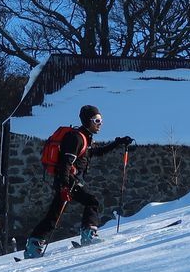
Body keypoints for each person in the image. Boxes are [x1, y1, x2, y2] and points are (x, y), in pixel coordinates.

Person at [25, 104, 133, 258]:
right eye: (96, 120)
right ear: (87, 121)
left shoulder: (84, 137)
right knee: (92, 201)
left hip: (69, 181)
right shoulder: (76, 138)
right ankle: (88, 235)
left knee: (53, 215)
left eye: (100, 120)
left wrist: (118, 143)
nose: (100, 123)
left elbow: (95, 152)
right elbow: (65, 163)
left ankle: (33, 245)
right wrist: (64, 185)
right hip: (69, 181)